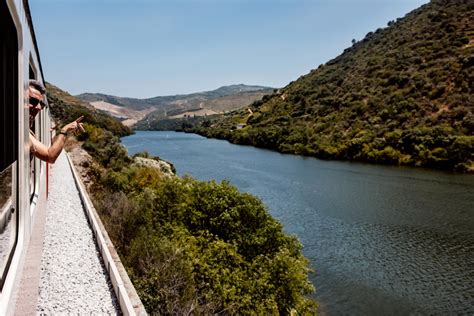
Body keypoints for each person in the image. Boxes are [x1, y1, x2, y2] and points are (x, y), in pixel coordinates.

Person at [28, 80, 85, 163]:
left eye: (42, 104)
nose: (39, 108)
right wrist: (64, 130)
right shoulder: (20, 132)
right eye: (33, 101)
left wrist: (65, 129)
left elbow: (49, 154)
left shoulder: (25, 131)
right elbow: (50, 156)